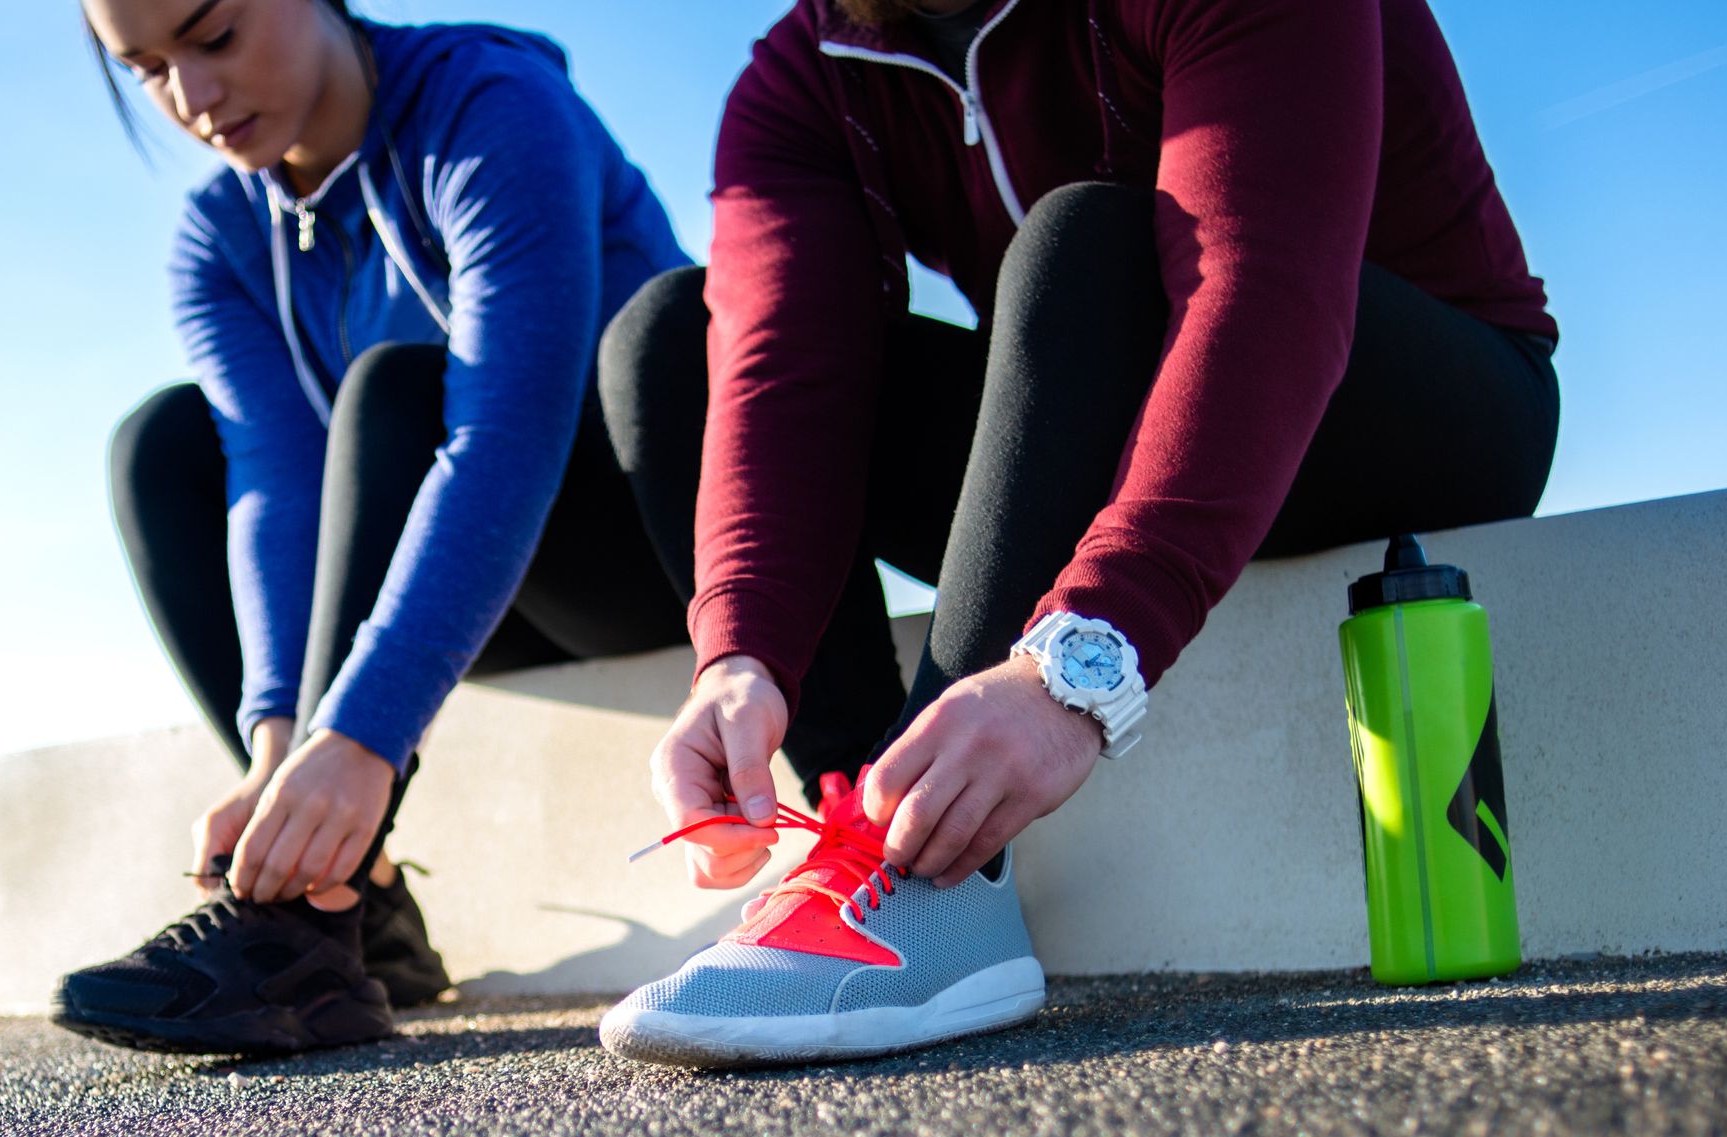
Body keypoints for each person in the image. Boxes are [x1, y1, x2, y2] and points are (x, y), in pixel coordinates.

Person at [593, 0, 1559, 1066]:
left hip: (1410, 401)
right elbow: (783, 373)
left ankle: (929, 872)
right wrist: (740, 655)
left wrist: (1082, 659)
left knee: (1086, 234)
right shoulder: (806, 72)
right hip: (1110, 401)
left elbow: (1259, 283)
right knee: (672, 340)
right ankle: (877, 826)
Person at [54, 0, 691, 1055]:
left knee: (397, 390)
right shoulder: (220, 237)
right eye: (148, 71)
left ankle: (295, 928)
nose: (194, 100)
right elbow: (278, 484)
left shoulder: (490, 105)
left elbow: (505, 433)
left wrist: (357, 736)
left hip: (628, 543)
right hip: (462, 595)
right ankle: (361, 905)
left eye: (212, 38)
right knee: (163, 448)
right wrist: (277, 748)